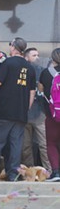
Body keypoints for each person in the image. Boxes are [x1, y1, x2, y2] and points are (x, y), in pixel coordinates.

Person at [0, 37, 37, 182]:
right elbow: (32, 91)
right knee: (15, 144)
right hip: (20, 112)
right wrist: (26, 108)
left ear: (13, 47)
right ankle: (13, 173)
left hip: (3, 110)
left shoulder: (8, 63)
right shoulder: (30, 67)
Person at [21, 47, 51, 172]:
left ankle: (50, 171)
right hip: (25, 113)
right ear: (26, 57)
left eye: (38, 55)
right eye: (34, 55)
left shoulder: (43, 71)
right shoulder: (22, 72)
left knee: (44, 144)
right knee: (26, 146)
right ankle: (30, 171)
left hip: (41, 114)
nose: (37, 57)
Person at [38, 48, 60, 181]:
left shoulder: (46, 72)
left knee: (51, 143)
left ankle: (56, 172)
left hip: (52, 114)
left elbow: (40, 90)